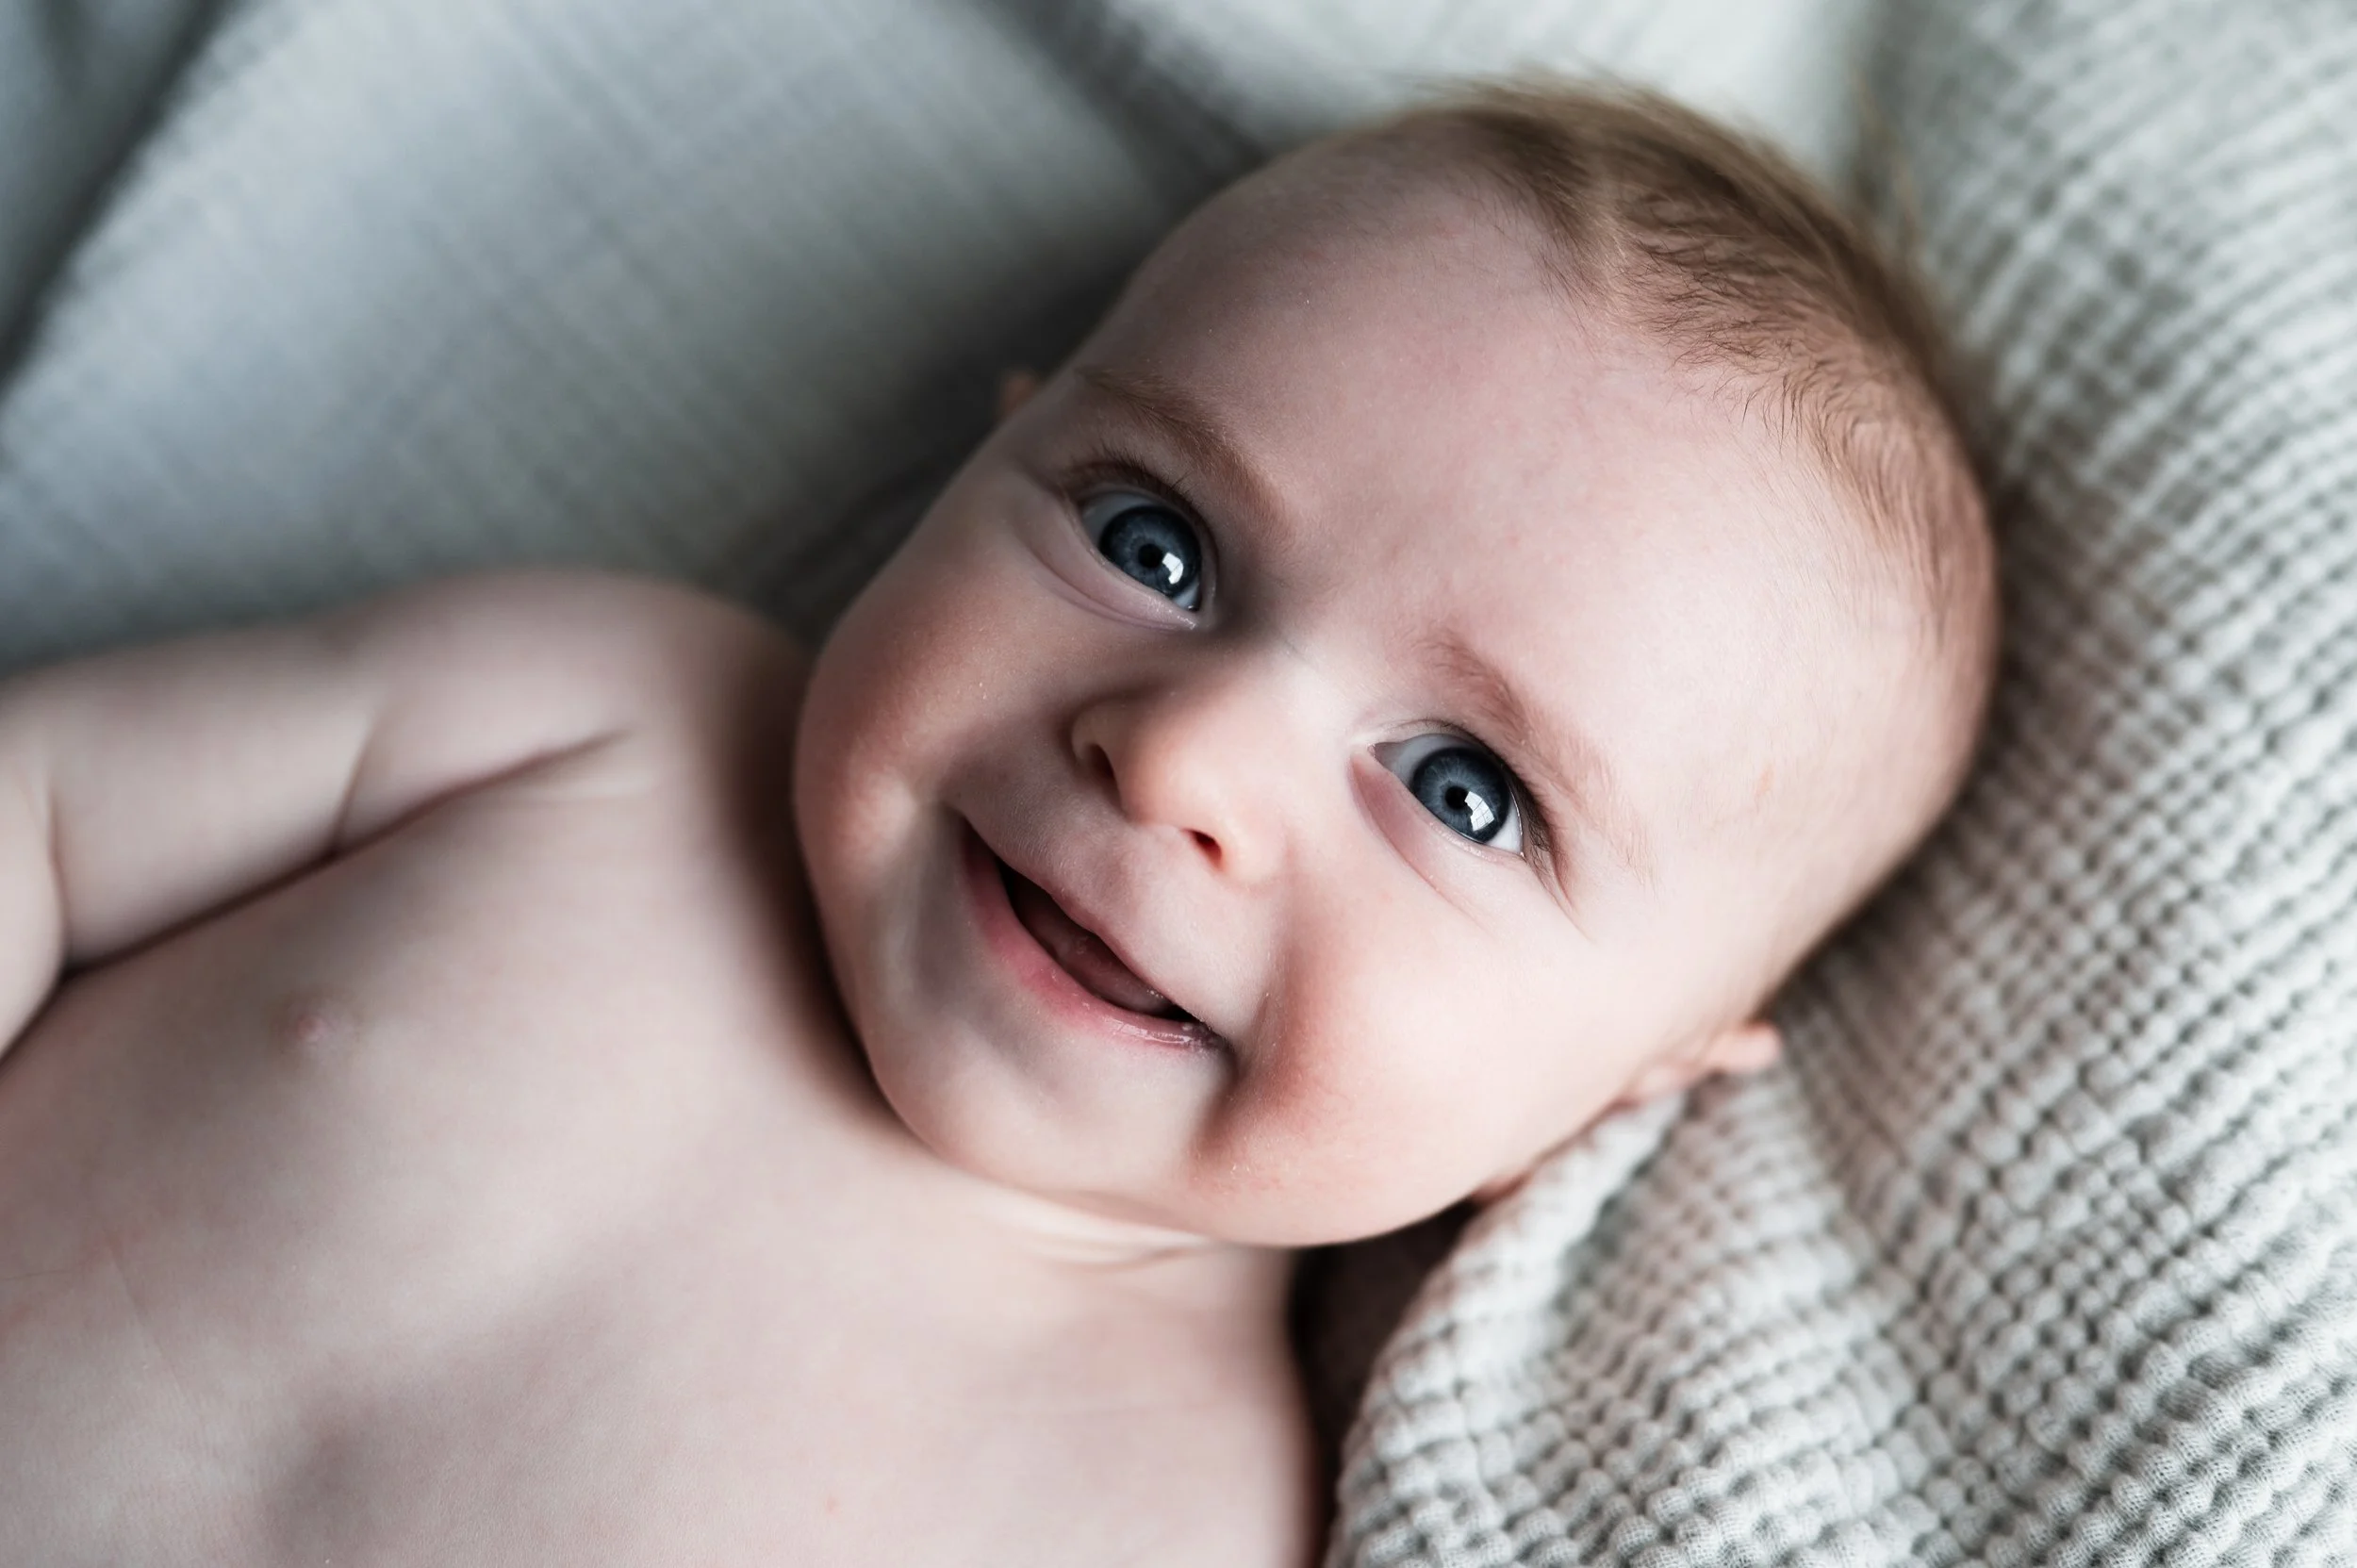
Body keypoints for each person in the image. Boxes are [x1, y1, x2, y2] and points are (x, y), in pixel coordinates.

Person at [0, 83, 1994, 1564]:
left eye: (1462, 790)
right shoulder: (589, 717)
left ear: (1625, 1084)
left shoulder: (1173, 1511)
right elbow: (46, 801)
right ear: (993, 445)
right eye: (1156, 542)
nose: (1185, 759)